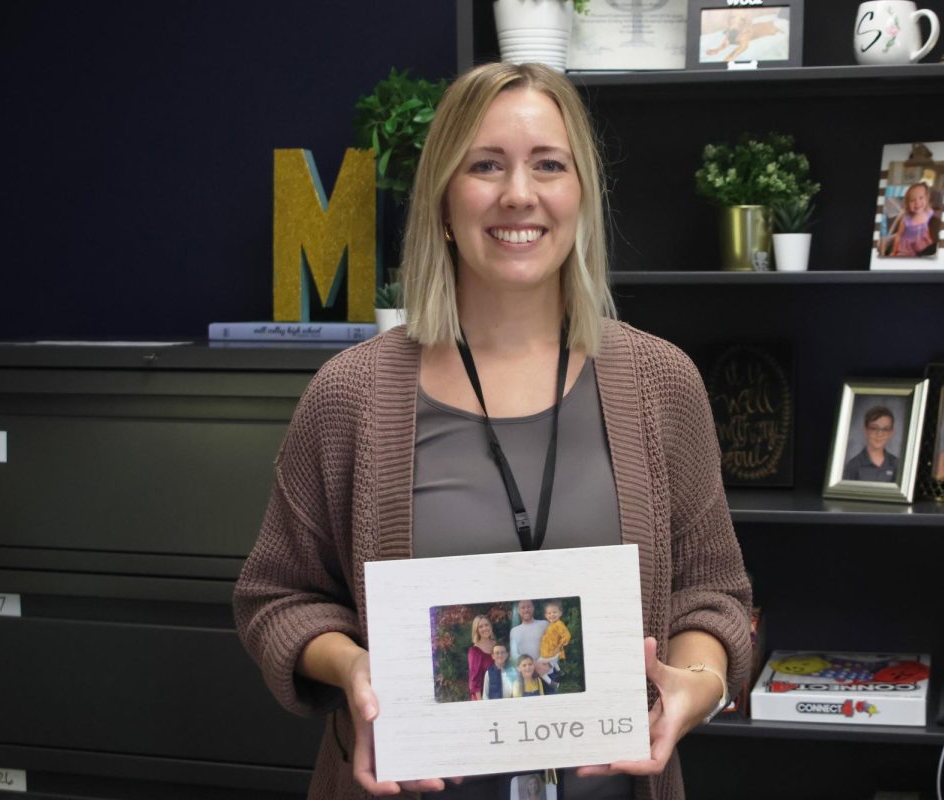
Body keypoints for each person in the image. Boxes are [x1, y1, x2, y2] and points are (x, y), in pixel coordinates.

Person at [233, 62, 752, 800]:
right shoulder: (349, 394)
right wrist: (352, 669)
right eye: (486, 166)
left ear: (580, 196)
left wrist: (696, 683)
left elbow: (712, 593)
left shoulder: (660, 383)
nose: (519, 194)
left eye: (548, 165)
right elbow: (277, 597)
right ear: (444, 198)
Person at [879, 182, 940, 257]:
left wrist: (927, 238)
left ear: (927, 199)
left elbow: (926, 226)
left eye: (921, 198)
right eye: (912, 200)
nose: (917, 202)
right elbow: (899, 235)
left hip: (921, 242)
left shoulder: (928, 212)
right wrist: (894, 251)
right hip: (906, 247)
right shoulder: (906, 219)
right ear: (908, 204)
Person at [842, 405, 900, 482]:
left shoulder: (897, 464)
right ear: (865, 431)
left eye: (885, 429)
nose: (879, 434)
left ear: (891, 433)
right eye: (874, 428)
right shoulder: (853, 466)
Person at [508, 599, 548, 664]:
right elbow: (514, 654)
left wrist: (545, 663)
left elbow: (553, 646)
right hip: (526, 670)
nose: (526, 610)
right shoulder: (514, 631)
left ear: (533, 608)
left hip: (544, 667)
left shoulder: (544, 624)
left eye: (528, 606)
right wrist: (530, 663)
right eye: (523, 608)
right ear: (518, 610)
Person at [467, 614, 497, 700]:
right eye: (480, 626)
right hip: (482, 696)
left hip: (497, 692)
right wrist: (481, 702)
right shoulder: (474, 651)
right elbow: (474, 681)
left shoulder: (495, 644)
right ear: (476, 630)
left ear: (490, 626)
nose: (484, 628)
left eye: (486, 625)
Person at [538, 599, 570, 675]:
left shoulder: (559, 624)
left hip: (552, 651)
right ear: (546, 615)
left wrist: (559, 646)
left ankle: (556, 676)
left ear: (560, 613)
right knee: (549, 670)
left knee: (539, 663)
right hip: (547, 651)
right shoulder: (551, 624)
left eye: (554, 612)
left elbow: (566, 636)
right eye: (549, 613)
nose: (552, 615)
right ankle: (559, 672)